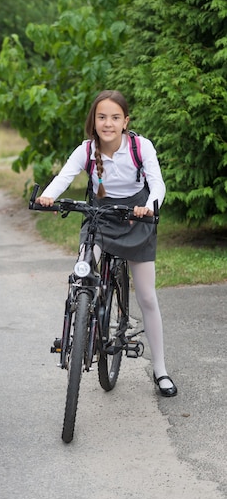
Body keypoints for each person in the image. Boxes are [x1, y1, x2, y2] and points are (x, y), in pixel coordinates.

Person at [37, 90, 177, 397]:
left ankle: (161, 370)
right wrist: (48, 195)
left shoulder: (141, 147)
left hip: (135, 217)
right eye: (102, 117)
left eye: (115, 117)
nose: (108, 123)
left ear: (125, 121)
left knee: (147, 296)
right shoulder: (87, 150)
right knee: (82, 272)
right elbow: (64, 176)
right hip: (100, 215)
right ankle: (81, 319)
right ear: (93, 121)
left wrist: (151, 205)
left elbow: (157, 184)